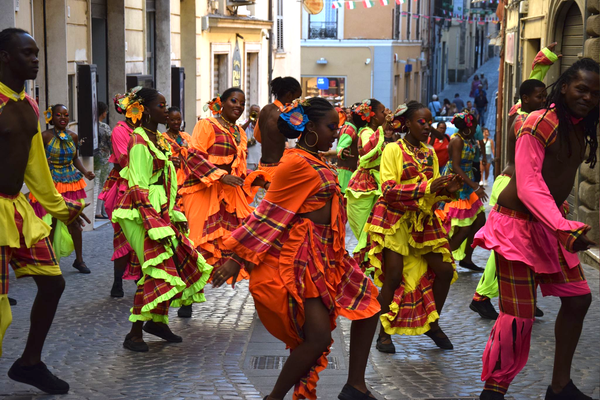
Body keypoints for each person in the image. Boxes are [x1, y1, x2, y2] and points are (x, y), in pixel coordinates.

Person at [214, 97, 380, 400]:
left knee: (368, 306)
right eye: (331, 127)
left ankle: (355, 385)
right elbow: (268, 212)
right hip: (306, 258)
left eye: (337, 126)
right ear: (310, 128)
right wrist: (237, 258)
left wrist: (340, 153)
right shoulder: (296, 163)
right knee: (316, 338)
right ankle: (275, 397)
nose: (336, 131)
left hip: (332, 255)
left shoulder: (311, 157)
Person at [473, 58, 599, 400]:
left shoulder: (582, 127)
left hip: (547, 225)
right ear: (564, 87)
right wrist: (562, 225)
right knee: (519, 317)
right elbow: (528, 185)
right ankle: (493, 391)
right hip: (516, 227)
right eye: (581, 88)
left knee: (578, 300)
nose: (588, 97)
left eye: (595, 93)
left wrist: (558, 217)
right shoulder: (539, 121)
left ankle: (559, 388)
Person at [0, 27, 88, 394]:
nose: (36, 59)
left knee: (53, 283)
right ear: (5, 57)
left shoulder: (30, 105)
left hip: (16, 210)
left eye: (37, 53)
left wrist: (58, 206)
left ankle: (29, 363)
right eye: (27, 53)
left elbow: (35, 163)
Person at [111, 87, 214, 352]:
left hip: (161, 210)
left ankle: (156, 322)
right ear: (144, 109)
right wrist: (152, 220)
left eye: (166, 105)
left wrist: (171, 211)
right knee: (156, 267)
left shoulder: (160, 139)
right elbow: (137, 185)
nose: (166, 110)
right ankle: (134, 334)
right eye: (161, 105)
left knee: (172, 264)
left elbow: (171, 175)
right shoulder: (139, 141)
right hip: (140, 212)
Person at [469, 45, 559, 320]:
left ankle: (524, 296)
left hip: (519, 186)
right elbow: (532, 89)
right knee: (508, 248)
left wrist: (545, 58)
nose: (544, 100)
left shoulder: (527, 109)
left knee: (519, 246)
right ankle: (482, 295)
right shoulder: (524, 120)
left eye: (545, 97)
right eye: (539, 98)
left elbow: (532, 84)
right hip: (513, 187)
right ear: (526, 100)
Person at [364, 101, 461, 354]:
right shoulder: (393, 150)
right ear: (407, 123)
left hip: (421, 221)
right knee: (394, 275)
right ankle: (384, 334)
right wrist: (428, 187)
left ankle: (432, 322)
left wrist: (446, 191)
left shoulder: (429, 153)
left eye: (429, 122)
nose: (428, 127)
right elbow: (388, 190)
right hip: (393, 221)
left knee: (445, 270)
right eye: (422, 122)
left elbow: (431, 195)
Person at [180, 88, 269, 318]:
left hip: (229, 197)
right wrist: (220, 175)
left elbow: (238, 170)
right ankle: (185, 299)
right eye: (233, 101)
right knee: (196, 245)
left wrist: (258, 179)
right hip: (203, 192)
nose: (238, 106)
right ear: (222, 102)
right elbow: (193, 156)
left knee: (241, 243)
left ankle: (262, 299)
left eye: (242, 102)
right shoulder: (206, 125)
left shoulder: (239, 132)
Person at [29, 104, 95, 273]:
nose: (63, 118)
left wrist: (86, 172)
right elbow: (35, 158)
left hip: (70, 181)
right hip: (50, 182)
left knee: (74, 221)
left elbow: (75, 159)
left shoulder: (73, 136)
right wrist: (44, 163)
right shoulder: (44, 136)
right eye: (59, 115)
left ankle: (79, 260)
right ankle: (49, 261)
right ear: (51, 117)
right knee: (51, 222)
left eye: (66, 115)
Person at [99, 89, 142, 298]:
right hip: (124, 185)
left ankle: (142, 279)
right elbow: (126, 159)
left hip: (143, 184)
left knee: (144, 235)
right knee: (123, 236)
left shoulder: (143, 129)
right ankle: (118, 282)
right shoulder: (119, 130)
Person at [345, 98, 388, 271]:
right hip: (364, 186)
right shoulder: (366, 133)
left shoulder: (374, 131)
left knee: (372, 229)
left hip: (375, 181)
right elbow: (368, 152)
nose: (386, 114)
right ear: (373, 116)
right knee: (368, 231)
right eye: (382, 111)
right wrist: (382, 129)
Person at [441, 112, 488, 271]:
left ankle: (467, 258)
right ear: (468, 127)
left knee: (480, 219)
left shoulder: (469, 139)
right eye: (474, 126)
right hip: (456, 183)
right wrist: (475, 186)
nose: (476, 129)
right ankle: (442, 259)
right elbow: (455, 166)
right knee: (464, 227)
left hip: (467, 182)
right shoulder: (457, 141)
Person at [254, 77, 302, 177]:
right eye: (297, 98)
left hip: (262, 167)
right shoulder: (285, 115)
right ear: (289, 95)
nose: (298, 101)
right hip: (276, 169)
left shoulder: (265, 109)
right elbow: (300, 136)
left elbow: (257, 136)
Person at [163, 106, 192, 193]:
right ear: (167, 120)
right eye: (172, 120)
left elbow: (194, 153)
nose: (176, 122)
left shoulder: (186, 136)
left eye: (178, 119)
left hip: (187, 178)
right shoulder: (162, 138)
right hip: (171, 178)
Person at [336, 103, 360, 195]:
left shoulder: (354, 129)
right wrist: (342, 152)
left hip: (349, 174)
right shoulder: (349, 129)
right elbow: (340, 148)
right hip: (346, 176)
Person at [94, 101, 111, 219]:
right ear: (103, 112)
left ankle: (96, 210)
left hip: (94, 158)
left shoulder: (92, 125)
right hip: (104, 159)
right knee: (101, 185)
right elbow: (111, 141)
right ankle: (98, 211)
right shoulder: (104, 127)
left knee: (95, 184)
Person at [242, 104, 261, 171]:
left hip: (259, 159)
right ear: (249, 113)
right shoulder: (244, 123)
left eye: (256, 112)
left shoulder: (262, 124)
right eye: (253, 111)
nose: (254, 113)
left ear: (260, 113)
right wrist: (249, 121)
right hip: (248, 161)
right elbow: (239, 131)